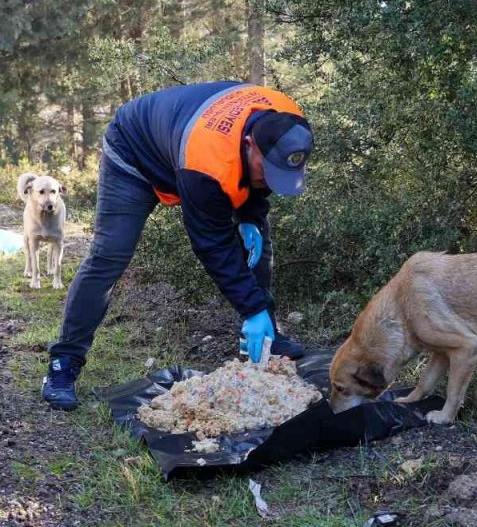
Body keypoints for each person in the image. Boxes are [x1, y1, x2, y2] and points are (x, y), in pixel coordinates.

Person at [41, 81, 314, 410]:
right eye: (265, 171)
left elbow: (261, 180)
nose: (270, 181)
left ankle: (266, 339)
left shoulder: (289, 122)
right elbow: (212, 245)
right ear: (249, 144)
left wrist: (250, 214)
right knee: (110, 254)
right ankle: (63, 365)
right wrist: (252, 308)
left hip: (183, 143)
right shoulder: (207, 162)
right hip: (133, 151)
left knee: (257, 240)